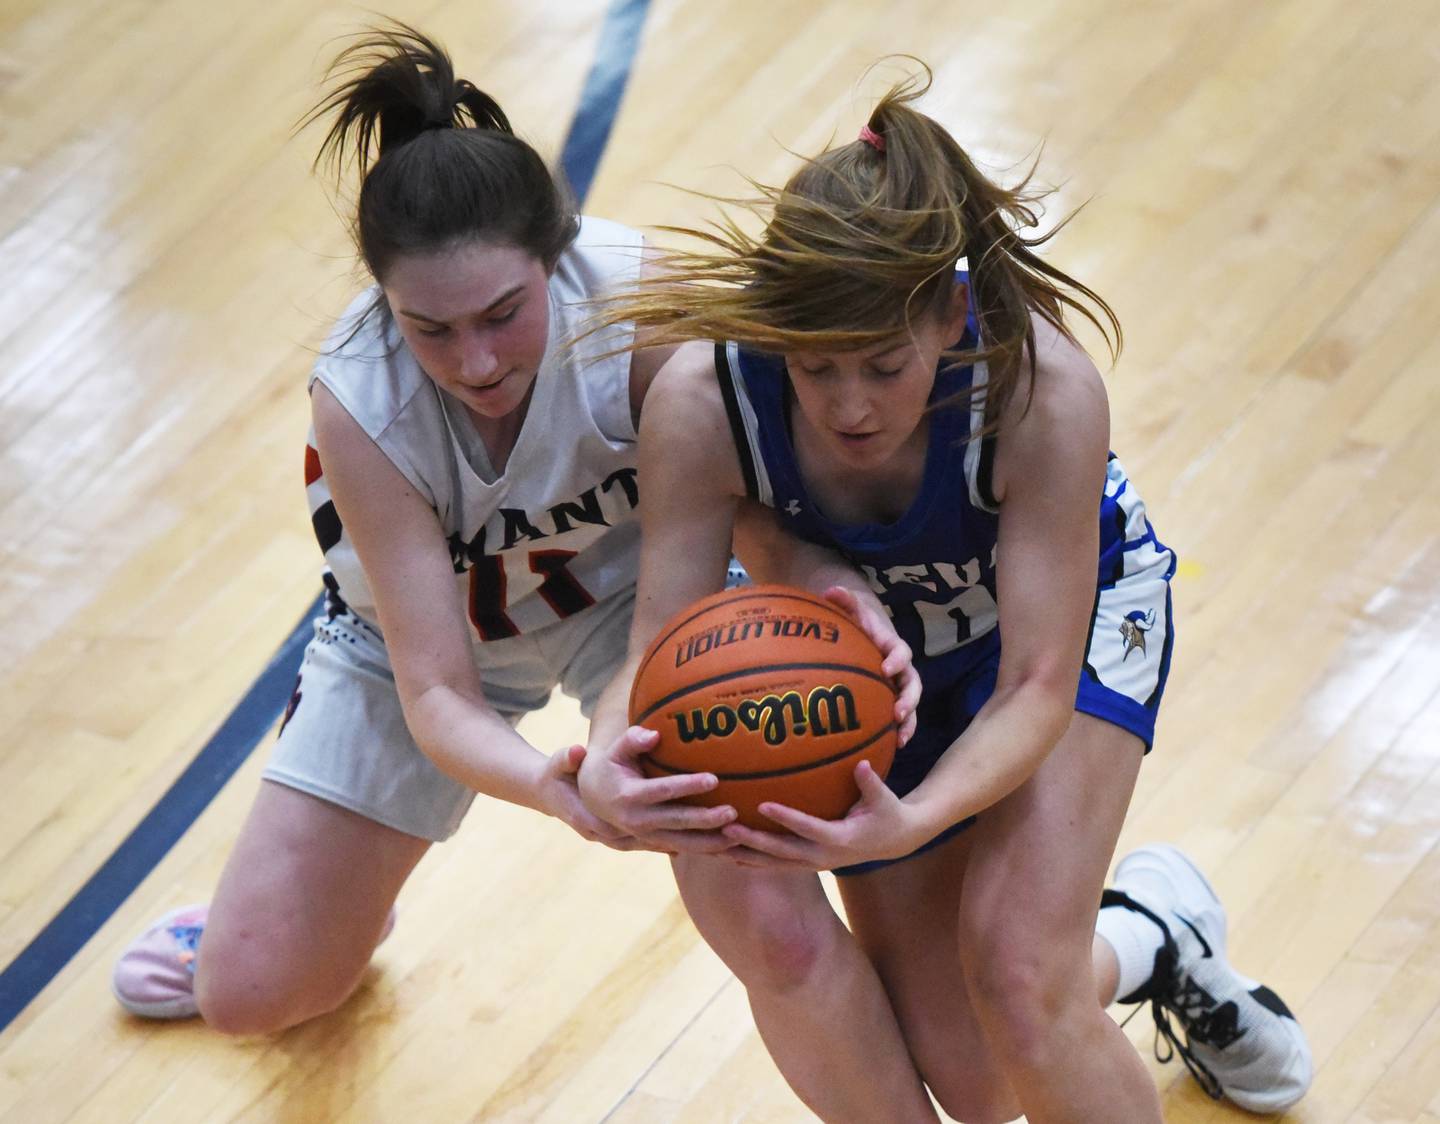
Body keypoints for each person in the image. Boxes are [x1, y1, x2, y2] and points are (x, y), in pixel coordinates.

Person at [577, 67, 1313, 1120]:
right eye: (814, 366)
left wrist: (909, 817)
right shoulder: (703, 399)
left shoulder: (1039, 391)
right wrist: (607, 763)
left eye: (880, 365)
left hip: (1066, 620)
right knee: (977, 1081)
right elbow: (660, 638)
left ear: (950, 312)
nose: (846, 403)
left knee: (1021, 973)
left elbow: (1035, 690)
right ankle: (1154, 928)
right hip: (881, 652)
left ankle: (1084, 956)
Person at [108, 23, 775, 1032]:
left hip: (640, 596)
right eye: (431, 328)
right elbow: (431, 687)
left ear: (557, 255)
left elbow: (724, 544)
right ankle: (316, 908)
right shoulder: (359, 400)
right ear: (387, 303)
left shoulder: (645, 308)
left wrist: (614, 738)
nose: (474, 361)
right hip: (426, 636)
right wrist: (561, 787)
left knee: (764, 883)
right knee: (249, 995)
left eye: (502, 312)